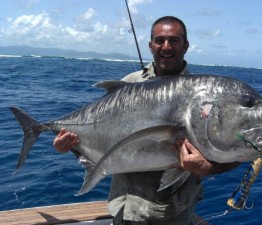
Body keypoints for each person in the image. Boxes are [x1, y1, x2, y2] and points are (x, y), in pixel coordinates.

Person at [53, 16, 239, 225]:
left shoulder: (202, 94)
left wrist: (207, 167)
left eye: (174, 40)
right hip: (122, 208)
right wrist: (69, 146)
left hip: (170, 214)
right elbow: (101, 133)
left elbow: (235, 152)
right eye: (160, 40)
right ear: (150, 45)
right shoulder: (130, 83)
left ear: (185, 45)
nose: (166, 46)